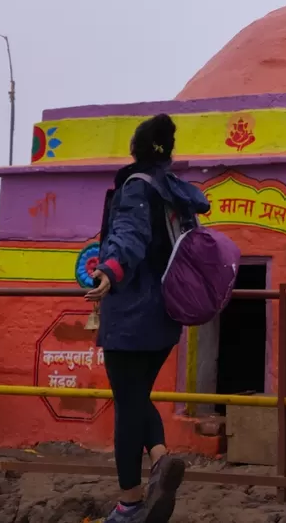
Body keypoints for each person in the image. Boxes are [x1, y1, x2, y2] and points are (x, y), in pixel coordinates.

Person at [85, 114, 208, 523]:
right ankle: (159, 460)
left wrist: (109, 270)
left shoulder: (137, 187)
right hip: (167, 315)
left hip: (132, 312)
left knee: (127, 405)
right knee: (137, 396)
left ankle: (130, 504)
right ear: (167, 154)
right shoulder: (176, 192)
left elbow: (130, 234)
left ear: (135, 151)